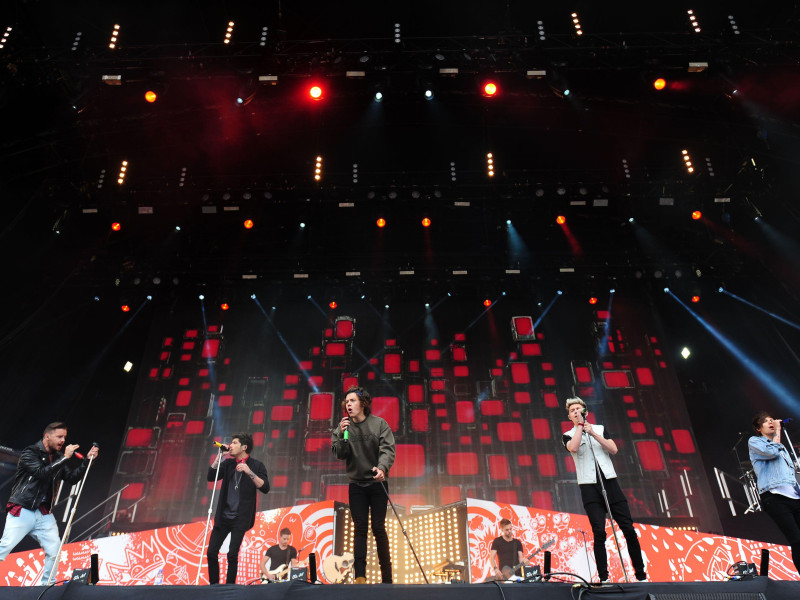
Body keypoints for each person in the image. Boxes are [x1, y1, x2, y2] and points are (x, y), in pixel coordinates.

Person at [0, 422, 99, 585]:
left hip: (43, 513)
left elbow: (72, 478)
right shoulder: (30, 453)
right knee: (5, 547)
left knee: (54, 550)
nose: (62, 441)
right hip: (23, 509)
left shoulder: (59, 458)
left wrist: (87, 462)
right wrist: (66, 458)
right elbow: (41, 473)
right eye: (59, 437)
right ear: (47, 436)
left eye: (64, 437)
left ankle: (46, 586)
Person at [562, 397, 647, 582]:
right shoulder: (568, 434)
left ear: (586, 411)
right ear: (570, 416)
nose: (576, 411)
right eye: (573, 410)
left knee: (628, 528)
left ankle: (640, 575)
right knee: (599, 532)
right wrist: (579, 427)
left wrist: (592, 433)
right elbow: (574, 448)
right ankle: (604, 577)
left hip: (609, 482)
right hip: (589, 487)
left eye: (579, 408)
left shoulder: (599, 429)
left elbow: (614, 449)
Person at [331, 386, 396, 584]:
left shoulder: (379, 424)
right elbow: (340, 453)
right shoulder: (344, 427)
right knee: (360, 528)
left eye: (352, 401)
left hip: (377, 483)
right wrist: (343, 435)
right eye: (346, 402)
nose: (348, 405)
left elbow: (388, 449)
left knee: (378, 527)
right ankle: (360, 576)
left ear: (363, 404)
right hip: (357, 484)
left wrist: (382, 468)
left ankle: (387, 578)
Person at [206, 432, 270, 584]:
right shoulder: (228, 464)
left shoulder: (256, 465)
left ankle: (230, 588)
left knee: (232, 554)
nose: (231, 445)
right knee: (211, 552)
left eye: (234, 443)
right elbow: (211, 476)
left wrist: (249, 472)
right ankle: (214, 587)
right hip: (223, 516)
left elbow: (265, 487)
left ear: (244, 447)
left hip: (240, 518)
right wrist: (220, 456)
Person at [748, 412, 800, 573]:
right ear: (758, 428)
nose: (771, 422)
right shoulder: (755, 441)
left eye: (772, 420)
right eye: (766, 422)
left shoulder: (782, 446)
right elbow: (771, 453)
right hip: (774, 497)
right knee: (797, 539)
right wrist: (777, 431)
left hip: (794, 496)